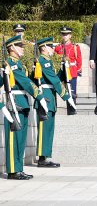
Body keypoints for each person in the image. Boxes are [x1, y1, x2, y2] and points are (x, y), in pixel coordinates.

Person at [4, 34, 48, 180]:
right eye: (20, 46)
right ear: (11, 48)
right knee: (13, 139)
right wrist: (40, 97)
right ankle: (12, 170)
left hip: (22, 103)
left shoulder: (20, 64)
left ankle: (19, 169)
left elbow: (29, 81)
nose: (22, 49)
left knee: (21, 139)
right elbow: (25, 83)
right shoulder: (12, 64)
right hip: (14, 103)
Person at [33, 37, 76, 168]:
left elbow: (56, 78)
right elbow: (54, 81)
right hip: (45, 97)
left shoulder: (48, 62)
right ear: (44, 48)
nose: (53, 49)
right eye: (50, 47)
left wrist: (63, 70)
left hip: (50, 97)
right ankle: (42, 158)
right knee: (45, 128)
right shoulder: (42, 62)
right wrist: (67, 97)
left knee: (49, 129)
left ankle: (45, 156)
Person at [54, 26, 82, 103]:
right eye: (63, 34)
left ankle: (72, 111)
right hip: (61, 71)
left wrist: (78, 73)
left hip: (71, 72)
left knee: (72, 92)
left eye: (66, 34)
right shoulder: (58, 47)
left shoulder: (75, 47)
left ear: (70, 35)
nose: (65, 36)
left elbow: (79, 61)